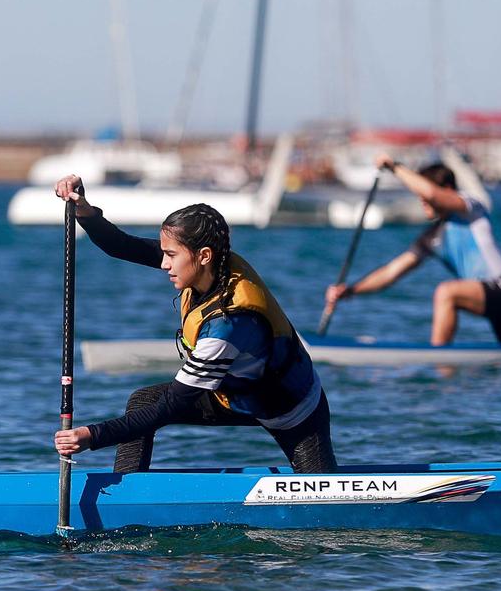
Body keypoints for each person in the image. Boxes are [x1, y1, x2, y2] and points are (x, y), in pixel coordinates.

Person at [50, 176, 335, 474]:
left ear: (204, 256)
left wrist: (93, 436)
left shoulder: (228, 324)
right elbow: (122, 245)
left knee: (326, 504)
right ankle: (126, 491)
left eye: (171, 255)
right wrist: (83, 209)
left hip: (293, 410)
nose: (163, 264)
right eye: (164, 253)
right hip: (233, 396)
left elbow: (172, 405)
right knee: (143, 401)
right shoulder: (209, 267)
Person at [323, 155, 501, 346]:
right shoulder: (432, 237)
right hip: (497, 302)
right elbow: (391, 273)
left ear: (448, 191)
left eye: (422, 193)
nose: (421, 199)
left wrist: (395, 166)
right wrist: (351, 291)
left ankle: (439, 364)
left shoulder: (470, 209)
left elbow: (431, 193)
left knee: (447, 292)